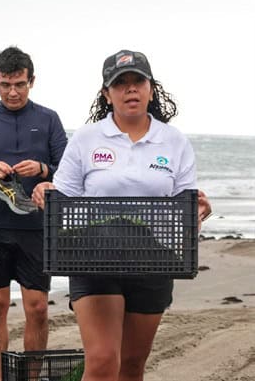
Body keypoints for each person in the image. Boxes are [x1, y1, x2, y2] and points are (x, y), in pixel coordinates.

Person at [32, 49, 212, 381]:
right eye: (120, 83)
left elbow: (185, 206)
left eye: (137, 82)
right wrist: (45, 193)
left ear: (151, 88)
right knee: (102, 362)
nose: (130, 89)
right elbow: (62, 197)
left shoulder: (174, 142)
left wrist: (200, 210)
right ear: (107, 93)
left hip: (155, 259)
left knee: (131, 365)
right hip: (92, 256)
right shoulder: (87, 139)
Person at [0, 46, 68, 380]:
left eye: (19, 83)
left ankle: (30, 378)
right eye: (6, 84)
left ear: (31, 81)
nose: (13, 91)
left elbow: (69, 172)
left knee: (37, 309)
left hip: (36, 226)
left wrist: (43, 168)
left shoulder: (48, 119)